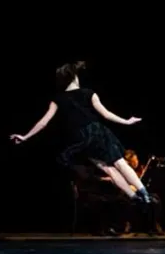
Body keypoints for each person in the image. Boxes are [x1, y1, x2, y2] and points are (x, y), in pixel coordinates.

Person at [9, 61, 152, 208]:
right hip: (97, 132)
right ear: (74, 77)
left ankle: (134, 197)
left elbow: (44, 122)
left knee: (108, 169)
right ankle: (145, 194)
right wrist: (127, 122)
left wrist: (25, 136)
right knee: (119, 163)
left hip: (80, 139)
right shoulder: (89, 93)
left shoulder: (58, 99)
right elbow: (106, 114)